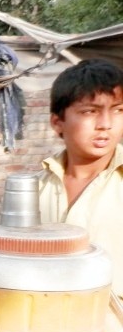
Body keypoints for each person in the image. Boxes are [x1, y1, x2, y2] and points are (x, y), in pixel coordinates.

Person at [38, 58, 123, 296]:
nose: (105, 124)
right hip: (46, 324)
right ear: (58, 123)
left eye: (118, 110)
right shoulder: (34, 189)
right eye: (89, 111)